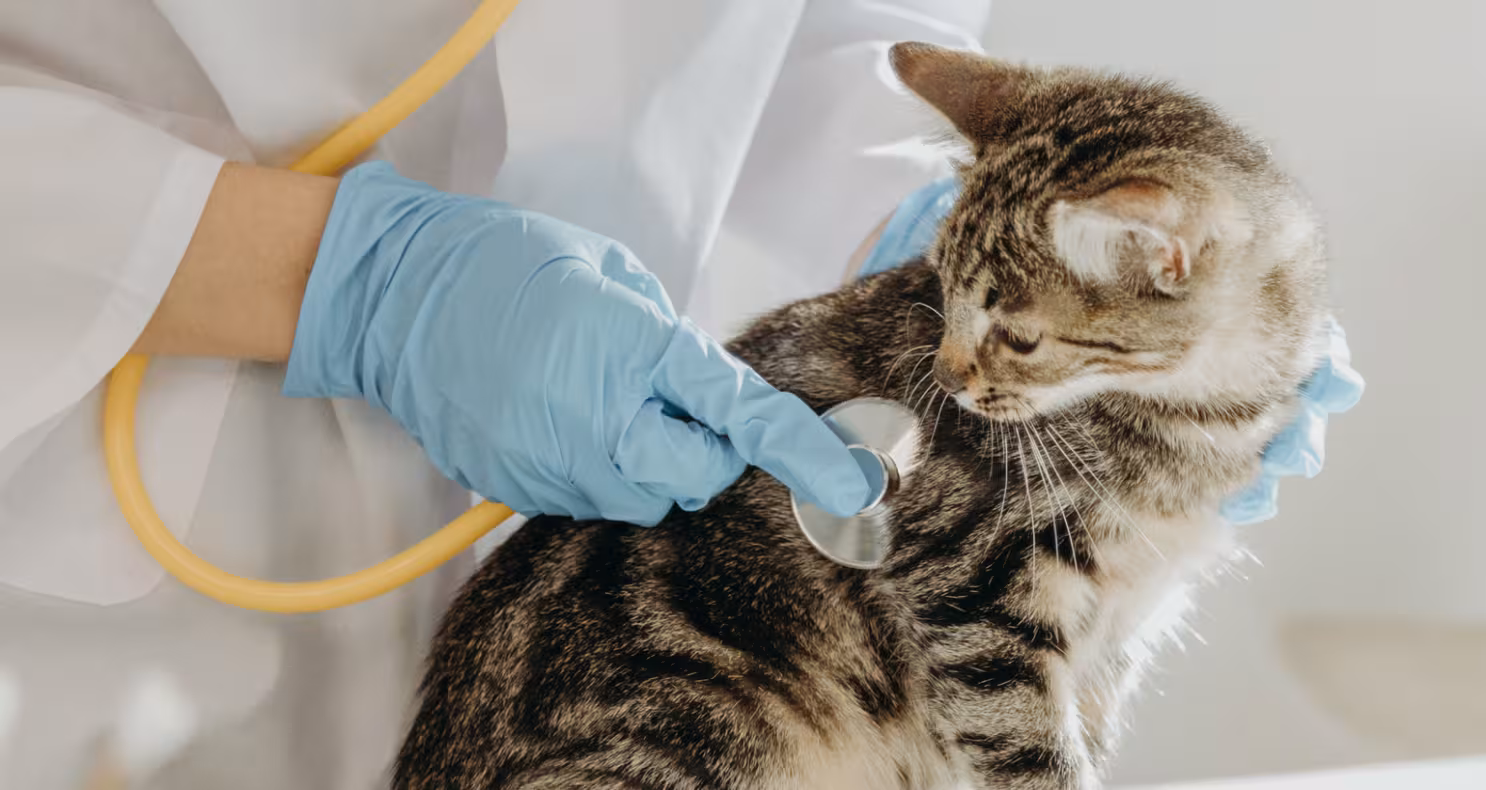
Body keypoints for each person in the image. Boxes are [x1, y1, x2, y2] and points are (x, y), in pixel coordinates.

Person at [0, 2, 1359, 787]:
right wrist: (348, 281)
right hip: (104, 551)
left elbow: (855, 36)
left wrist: (929, 242)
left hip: (630, 499)